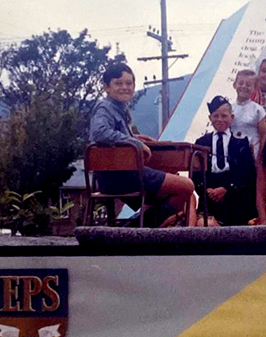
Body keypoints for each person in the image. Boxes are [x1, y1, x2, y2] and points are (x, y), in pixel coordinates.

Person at [89, 62, 195, 225]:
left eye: (129, 83)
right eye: (118, 83)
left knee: (176, 184)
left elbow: (114, 137)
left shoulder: (119, 109)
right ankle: (136, 229)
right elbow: (100, 132)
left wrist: (137, 138)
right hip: (121, 176)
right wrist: (134, 143)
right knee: (186, 187)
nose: (125, 87)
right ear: (106, 87)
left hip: (124, 173)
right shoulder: (105, 107)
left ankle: (133, 228)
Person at [194, 96, 256, 226]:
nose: (220, 120)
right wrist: (206, 190)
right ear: (210, 118)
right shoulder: (201, 143)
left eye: (224, 116)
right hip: (209, 196)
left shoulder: (241, 143)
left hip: (234, 198)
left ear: (231, 118)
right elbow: (196, 172)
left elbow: (246, 171)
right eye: (216, 116)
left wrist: (227, 189)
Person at [231, 69, 266, 155]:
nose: (244, 86)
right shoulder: (229, 107)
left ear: (255, 88)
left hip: (251, 155)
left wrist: (260, 155)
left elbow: (263, 135)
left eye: (248, 85)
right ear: (234, 85)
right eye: (240, 83)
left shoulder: (258, 110)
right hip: (231, 153)